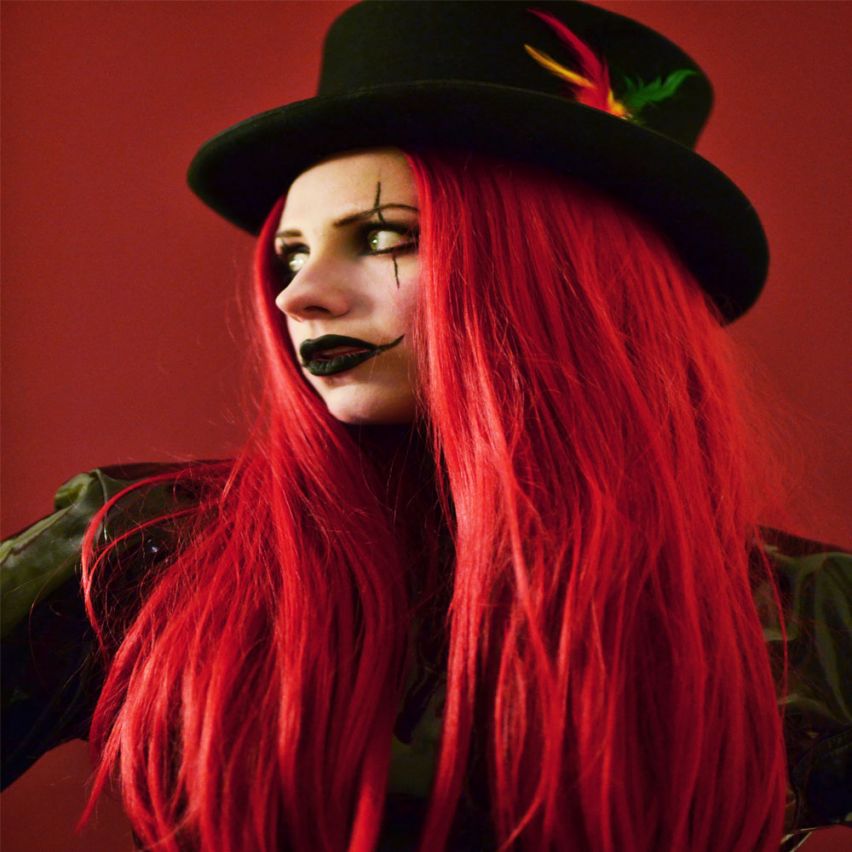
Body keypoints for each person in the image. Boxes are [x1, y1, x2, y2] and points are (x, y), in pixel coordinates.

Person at [2, 2, 850, 850]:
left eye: (381, 236)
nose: (297, 294)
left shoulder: (808, 619)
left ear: (568, 275)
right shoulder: (141, 548)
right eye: (291, 253)